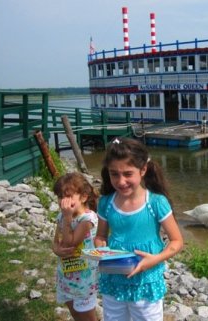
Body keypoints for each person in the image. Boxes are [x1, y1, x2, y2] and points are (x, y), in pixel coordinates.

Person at [94, 137, 183, 321]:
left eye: (128, 174)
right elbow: (101, 236)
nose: (121, 181)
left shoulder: (156, 203)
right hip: (113, 279)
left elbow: (177, 241)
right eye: (114, 174)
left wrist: (154, 259)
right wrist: (101, 251)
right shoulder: (106, 203)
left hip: (146, 281)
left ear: (143, 170)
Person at [52, 172, 99, 321]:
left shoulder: (87, 219)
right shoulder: (61, 216)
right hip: (67, 275)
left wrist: (67, 219)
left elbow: (70, 242)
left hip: (85, 277)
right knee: (75, 313)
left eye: (68, 196)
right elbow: (57, 241)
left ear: (83, 197)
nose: (62, 202)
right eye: (60, 197)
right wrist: (56, 250)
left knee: (87, 315)